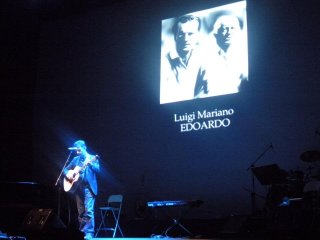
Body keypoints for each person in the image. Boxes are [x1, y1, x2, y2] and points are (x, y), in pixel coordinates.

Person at [197, 12, 248, 98]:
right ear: (216, 34)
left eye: (233, 28)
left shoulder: (243, 56)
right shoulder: (205, 58)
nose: (229, 32)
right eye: (225, 29)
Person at [160, 15, 206, 104]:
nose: (186, 39)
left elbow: (207, 91)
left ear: (197, 36)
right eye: (181, 34)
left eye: (190, 34)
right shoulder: (164, 62)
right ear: (175, 37)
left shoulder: (204, 59)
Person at [64, 140, 100, 240]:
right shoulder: (75, 159)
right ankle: (82, 232)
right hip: (78, 188)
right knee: (80, 212)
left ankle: (89, 233)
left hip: (89, 188)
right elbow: (65, 169)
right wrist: (69, 174)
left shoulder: (92, 157)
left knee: (89, 211)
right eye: (76, 150)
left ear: (84, 148)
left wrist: (91, 164)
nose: (77, 152)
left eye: (79, 150)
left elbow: (98, 170)